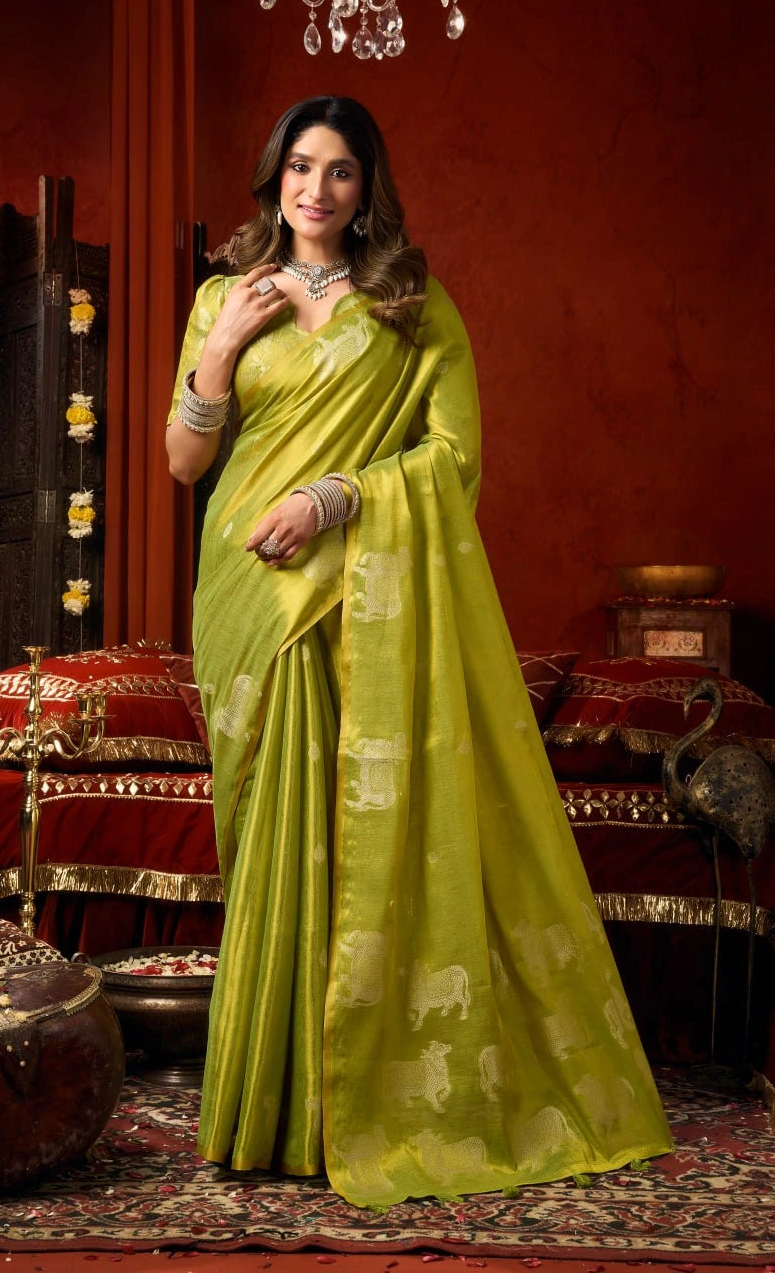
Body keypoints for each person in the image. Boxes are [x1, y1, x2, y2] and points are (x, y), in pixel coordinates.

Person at [166, 95, 671, 1208]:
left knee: (350, 835)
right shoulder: (224, 295)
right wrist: (215, 354)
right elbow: (184, 462)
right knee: (263, 836)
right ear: (273, 176)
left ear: (367, 189)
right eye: (300, 167)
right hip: (245, 594)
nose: (316, 190)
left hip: (350, 588)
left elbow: (454, 459)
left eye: (340, 172)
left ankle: (340, 1101)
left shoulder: (410, 302)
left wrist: (337, 497)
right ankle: (265, 1104)